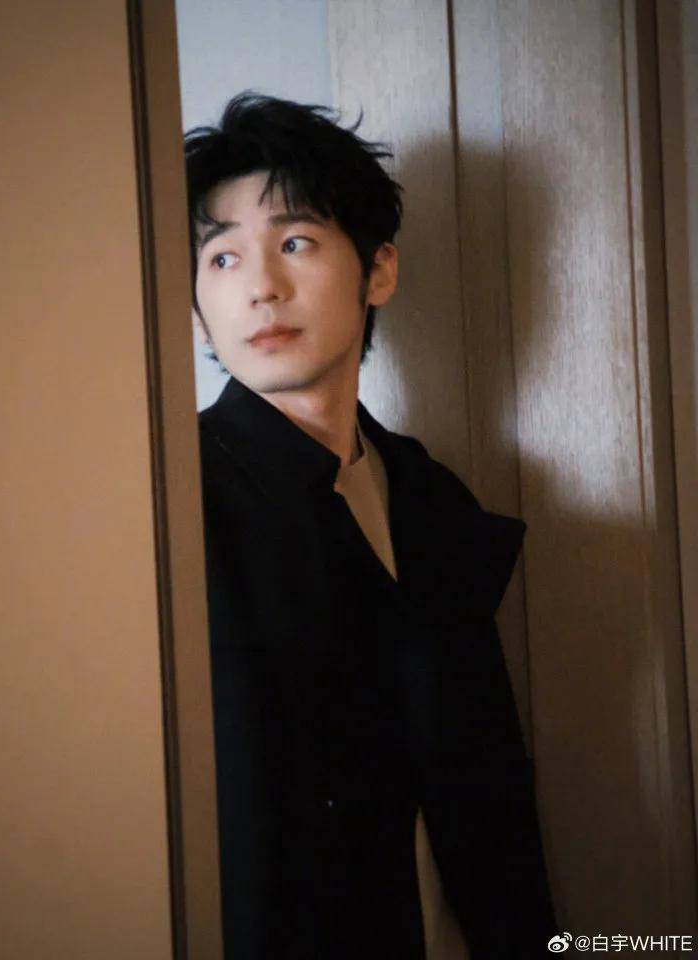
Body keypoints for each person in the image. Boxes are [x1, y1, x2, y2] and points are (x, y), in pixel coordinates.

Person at [184, 91, 557, 959]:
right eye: (222, 257)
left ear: (379, 271)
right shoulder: (170, 499)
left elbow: (487, 783)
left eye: (295, 242)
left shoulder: (428, 495)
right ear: (195, 309)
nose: (262, 287)